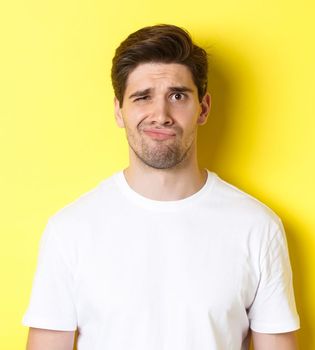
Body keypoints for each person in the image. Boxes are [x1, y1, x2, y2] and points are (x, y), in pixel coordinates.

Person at [22, 24, 300, 350]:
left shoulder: (257, 227)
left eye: (178, 96)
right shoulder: (69, 230)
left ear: (204, 108)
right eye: (142, 97)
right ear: (118, 111)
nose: (161, 114)